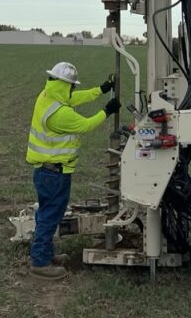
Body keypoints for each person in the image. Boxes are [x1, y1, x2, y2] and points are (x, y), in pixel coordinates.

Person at [25, 60, 120, 279]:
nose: (74, 90)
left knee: (47, 214)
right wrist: (106, 111)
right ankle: (40, 263)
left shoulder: (47, 96)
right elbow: (85, 125)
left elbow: (73, 98)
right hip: (54, 173)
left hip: (47, 171)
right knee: (50, 216)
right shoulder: (60, 114)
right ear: (66, 85)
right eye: (72, 86)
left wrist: (101, 89)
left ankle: (45, 255)